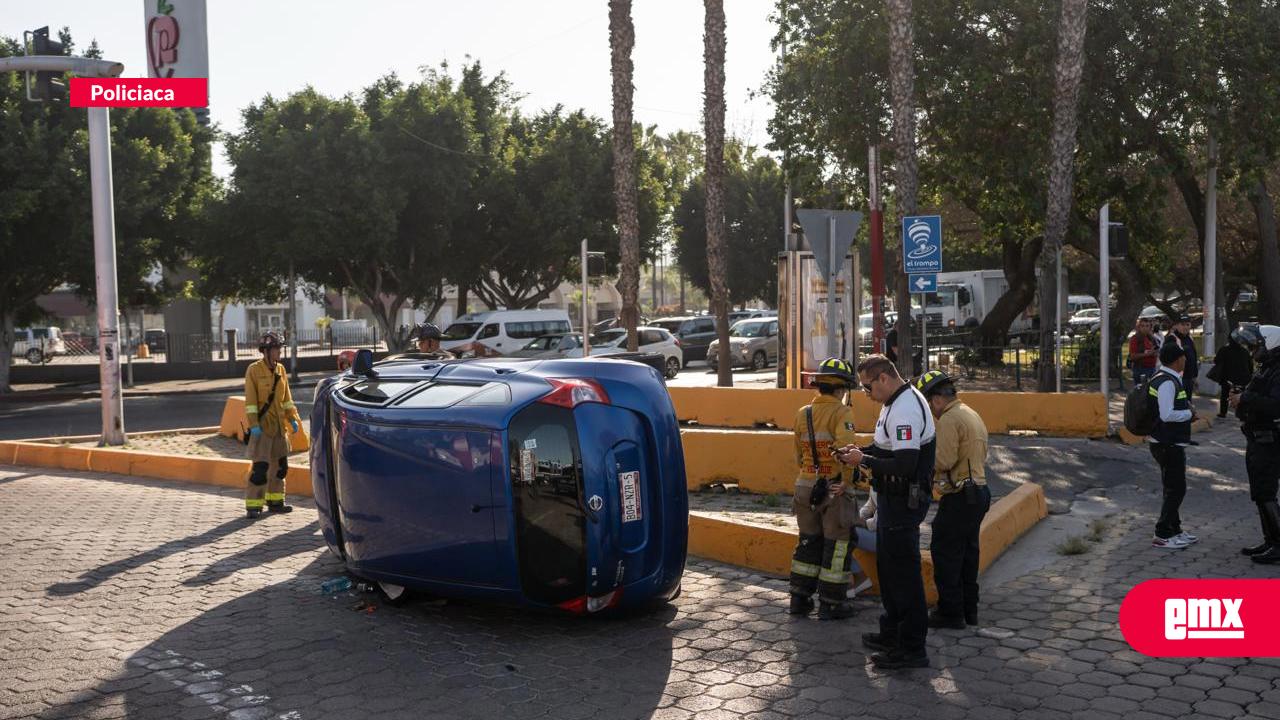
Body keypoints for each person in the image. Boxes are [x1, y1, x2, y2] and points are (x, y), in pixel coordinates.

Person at [835, 354, 936, 670]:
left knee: (904, 577)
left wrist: (862, 462)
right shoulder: (893, 403)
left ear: (883, 378)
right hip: (892, 502)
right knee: (891, 574)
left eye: (867, 386)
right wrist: (861, 452)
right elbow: (886, 449)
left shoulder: (905, 408)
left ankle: (911, 648)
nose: (866, 393)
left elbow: (905, 465)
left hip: (903, 503)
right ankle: (892, 632)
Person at [914, 370, 991, 629]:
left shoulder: (949, 419)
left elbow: (943, 460)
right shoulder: (971, 413)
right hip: (978, 492)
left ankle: (950, 612)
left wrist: (917, 462)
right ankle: (970, 609)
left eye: (928, 404)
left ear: (936, 399)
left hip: (960, 496)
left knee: (945, 553)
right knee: (968, 554)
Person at [788, 357, 863, 620]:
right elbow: (847, 451)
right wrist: (847, 481)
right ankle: (832, 603)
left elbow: (798, 455)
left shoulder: (802, 413)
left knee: (808, 542)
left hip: (805, 486)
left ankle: (799, 599)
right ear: (842, 389)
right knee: (837, 544)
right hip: (833, 489)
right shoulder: (842, 413)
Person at [1229, 325, 1280, 564]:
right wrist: (1240, 399)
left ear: (1270, 344)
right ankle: (1270, 540)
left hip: (1270, 440)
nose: (1252, 352)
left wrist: (1246, 398)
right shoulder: (1267, 368)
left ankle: (1278, 544)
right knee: (1260, 492)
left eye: (1255, 346)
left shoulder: (1278, 371)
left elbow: (1274, 404)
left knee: (1266, 492)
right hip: (1257, 438)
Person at [243, 332, 302, 519]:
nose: (280, 352)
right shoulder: (253, 370)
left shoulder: (281, 370)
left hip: (278, 428)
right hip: (262, 427)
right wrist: (254, 424)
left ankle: (276, 502)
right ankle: (253, 505)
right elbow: (251, 401)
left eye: (280, 348)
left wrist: (292, 418)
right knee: (260, 468)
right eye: (277, 349)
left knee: (280, 467)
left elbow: (286, 399)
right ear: (267, 351)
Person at [1149, 342, 1196, 549]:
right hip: (1167, 443)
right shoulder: (1167, 382)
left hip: (1169, 442)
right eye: (1183, 357)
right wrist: (1189, 414)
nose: (1186, 359)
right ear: (1177, 360)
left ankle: (1175, 529)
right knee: (1176, 489)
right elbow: (1166, 414)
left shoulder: (1169, 378)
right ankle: (1162, 533)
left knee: (1173, 488)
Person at [1210, 333, 1254, 418]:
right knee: (1242, 395)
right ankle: (1243, 413)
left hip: (1227, 377)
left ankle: (1223, 413)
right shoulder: (1244, 351)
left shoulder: (1224, 350)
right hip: (1242, 378)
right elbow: (1250, 365)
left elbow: (1216, 361)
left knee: (1224, 395)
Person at [1162, 315, 1199, 394]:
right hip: (1178, 378)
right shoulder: (1172, 339)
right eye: (1182, 324)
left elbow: (1193, 357)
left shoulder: (1189, 338)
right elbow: (1167, 360)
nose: (1185, 327)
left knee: (1187, 401)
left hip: (1189, 377)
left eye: (1187, 324)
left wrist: (1195, 376)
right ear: (1176, 325)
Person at [1128, 318, 1160, 386]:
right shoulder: (1135, 339)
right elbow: (1132, 356)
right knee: (1141, 393)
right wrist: (1147, 354)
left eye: (1147, 326)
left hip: (1152, 368)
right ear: (1138, 327)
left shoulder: (1152, 338)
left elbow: (1157, 349)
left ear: (1150, 327)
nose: (1145, 328)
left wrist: (1155, 353)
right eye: (1142, 326)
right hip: (1141, 369)